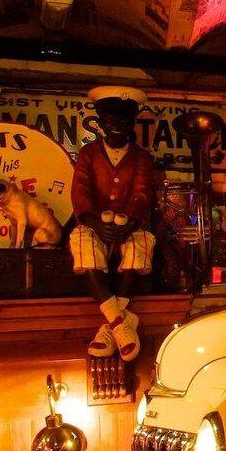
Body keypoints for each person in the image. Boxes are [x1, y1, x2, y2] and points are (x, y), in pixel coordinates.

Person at [70, 86, 158, 361]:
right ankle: (122, 324)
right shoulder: (88, 153)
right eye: (110, 119)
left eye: (123, 119)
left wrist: (129, 223)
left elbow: (142, 193)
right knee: (82, 242)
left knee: (141, 243)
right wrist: (95, 222)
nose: (117, 124)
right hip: (95, 223)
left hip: (128, 224)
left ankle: (109, 327)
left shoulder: (142, 157)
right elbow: (80, 190)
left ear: (132, 123)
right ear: (101, 123)